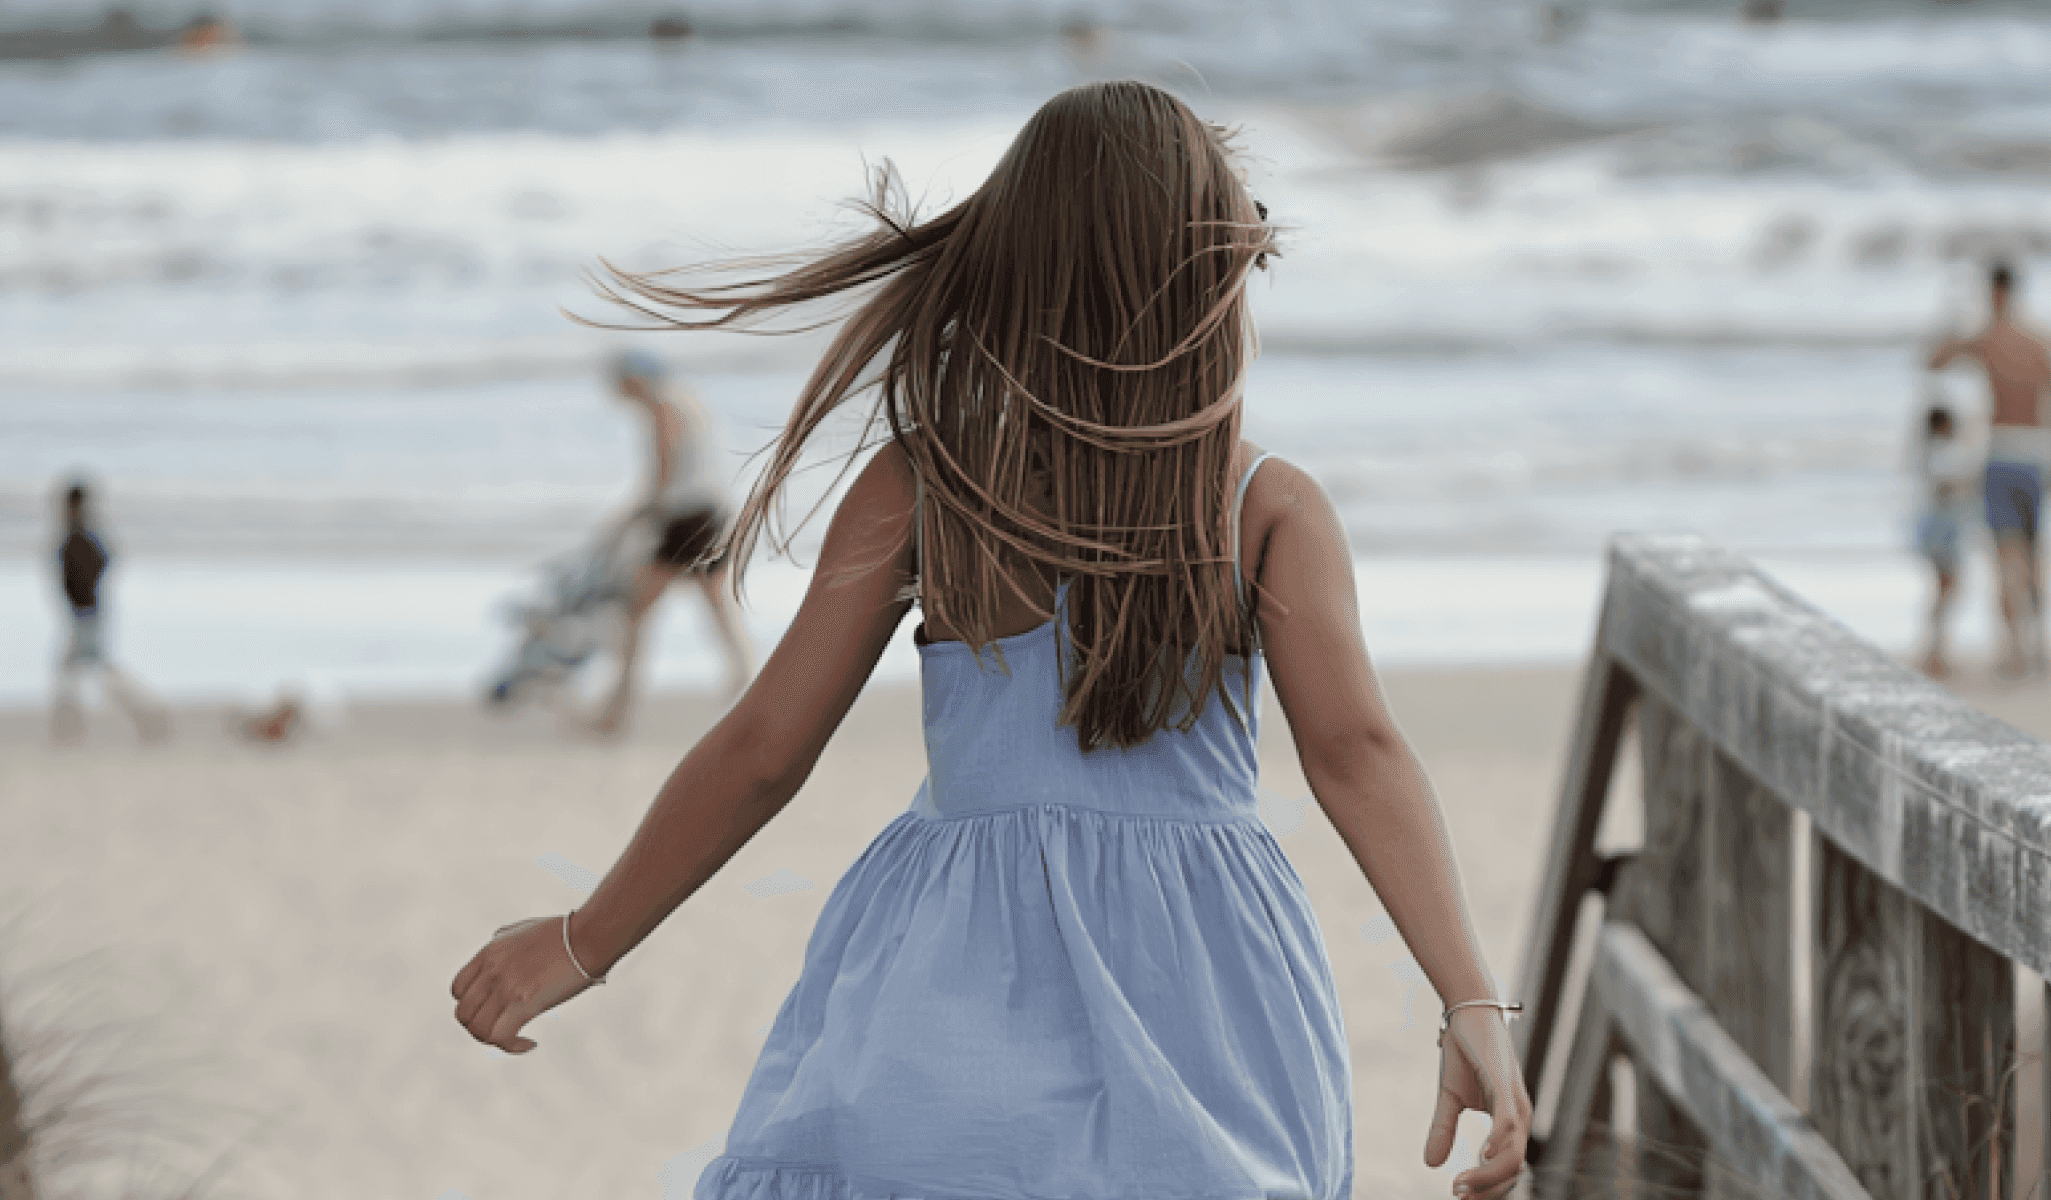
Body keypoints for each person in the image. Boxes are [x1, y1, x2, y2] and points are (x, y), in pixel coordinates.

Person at [450, 81, 1533, 1200]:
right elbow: (1359, 753)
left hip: (955, 971)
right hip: (1207, 987)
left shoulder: (928, 485)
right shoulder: (1267, 505)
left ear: (1012, 263)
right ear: (1208, 276)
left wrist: (587, 939)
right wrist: (1472, 1003)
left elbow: (765, 747)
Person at [589, 349, 758, 736]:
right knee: (718, 609)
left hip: (687, 519)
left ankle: (617, 711)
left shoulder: (661, 406)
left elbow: (662, 475)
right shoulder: (689, 399)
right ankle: (749, 693)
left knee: (635, 612)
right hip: (711, 513)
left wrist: (630, 518)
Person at [1927, 261, 2051, 681]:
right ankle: (2039, 646)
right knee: (2036, 554)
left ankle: (2013, 650)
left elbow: (1933, 361)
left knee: (2006, 557)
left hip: (2002, 453)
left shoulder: (1987, 338)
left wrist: (1951, 318)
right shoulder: (2042, 342)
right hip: (2038, 452)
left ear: (1990, 291)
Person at [50, 480, 169, 743]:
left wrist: (85, 591)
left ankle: (147, 713)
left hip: (87, 611)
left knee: (92, 669)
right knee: (81, 669)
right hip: (84, 610)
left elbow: (101, 561)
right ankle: (68, 729)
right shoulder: (78, 531)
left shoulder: (80, 533)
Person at [1909, 400, 1978, 678]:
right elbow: (1945, 487)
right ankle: (1935, 652)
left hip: (1936, 528)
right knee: (1947, 590)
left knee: (1944, 590)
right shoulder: (1940, 453)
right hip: (1942, 530)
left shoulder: (1927, 452)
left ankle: (1935, 650)